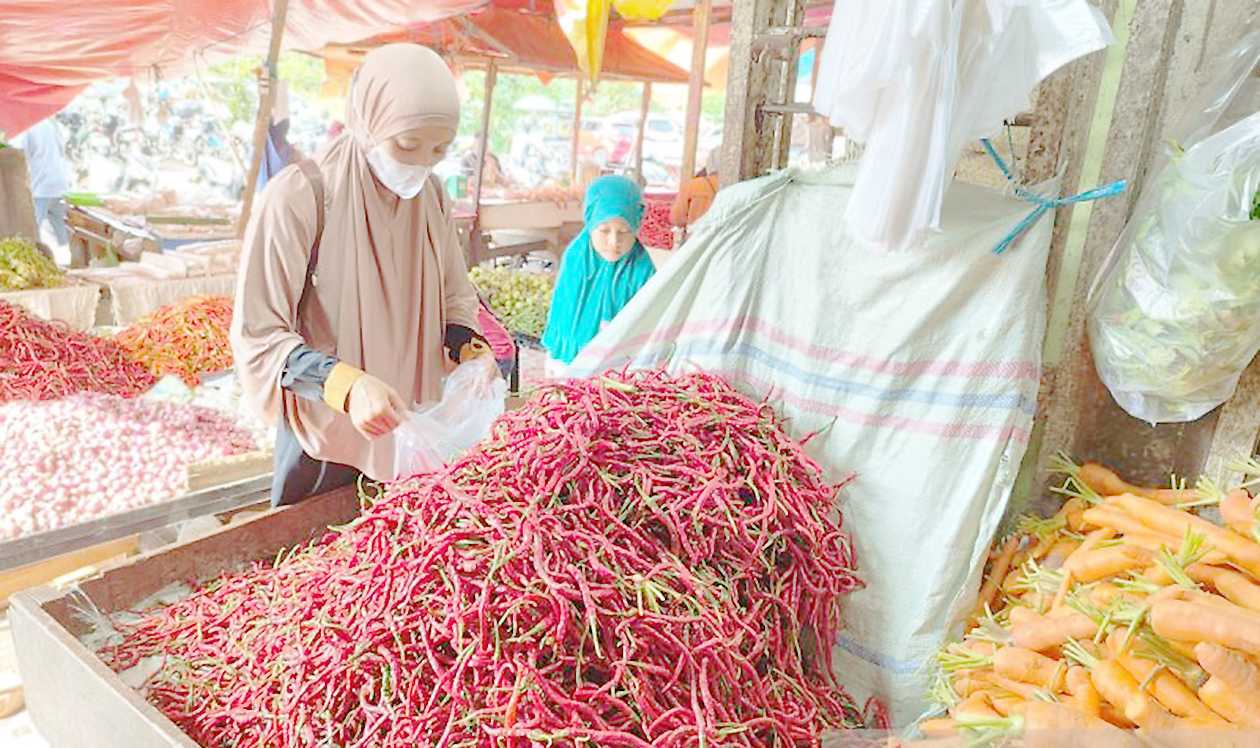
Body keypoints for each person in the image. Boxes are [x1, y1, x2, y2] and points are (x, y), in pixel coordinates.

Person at [231, 44, 493, 507]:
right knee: (314, 567)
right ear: (368, 121)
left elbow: (455, 295)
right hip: (327, 442)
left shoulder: (430, 197)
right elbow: (260, 335)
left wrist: (468, 348)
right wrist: (348, 385)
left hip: (414, 430)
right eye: (406, 145)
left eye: (439, 149)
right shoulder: (300, 197)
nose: (419, 163)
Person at [541, 175, 656, 373]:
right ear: (590, 223)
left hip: (620, 370)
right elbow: (565, 320)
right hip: (568, 363)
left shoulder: (643, 271)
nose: (613, 241)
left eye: (624, 231)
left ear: (636, 226)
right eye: (604, 231)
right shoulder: (577, 260)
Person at [12, 119, 71, 248]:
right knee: (64, 232)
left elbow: (18, 155)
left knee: (30, 231)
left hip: (41, 186)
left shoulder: (28, 127)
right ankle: (75, 260)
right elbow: (63, 151)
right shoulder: (52, 124)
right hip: (60, 185)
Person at [669, 146, 720, 239]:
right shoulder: (737, 186)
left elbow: (676, 218)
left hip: (694, 240)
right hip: (722, 242)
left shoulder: (692, 186)